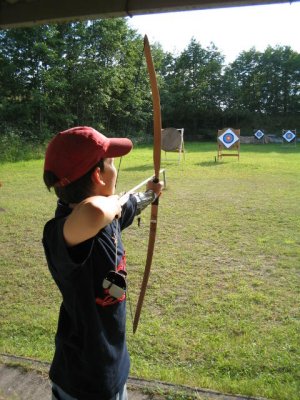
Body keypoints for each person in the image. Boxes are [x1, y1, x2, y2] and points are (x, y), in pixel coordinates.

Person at [42, 126, 163, 400]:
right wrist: (114, 202)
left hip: (113, 367)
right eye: (110, 163)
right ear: (98, 175)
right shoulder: (60, 232)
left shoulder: (111, 215)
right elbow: (95, 212)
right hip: (82, 380)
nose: (115, 169)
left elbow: (128, 206)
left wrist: (149, 194)